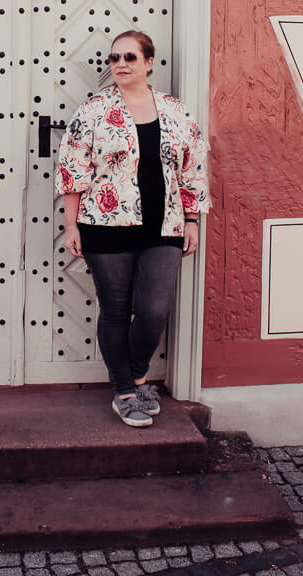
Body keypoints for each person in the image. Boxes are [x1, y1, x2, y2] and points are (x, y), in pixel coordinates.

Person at [55, 30, 210, 427]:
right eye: (114, 58)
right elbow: (73, 168)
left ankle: (139, 374)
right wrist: (71, 225)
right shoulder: (94, 110)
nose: (120, 64)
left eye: (129, 57)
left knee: (154, 310)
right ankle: (124, 391)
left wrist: (192, 219)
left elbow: (193, 168)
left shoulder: (175, 110)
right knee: (116, 309)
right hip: (105, 224)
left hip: (164, 224)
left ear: (148, 62)